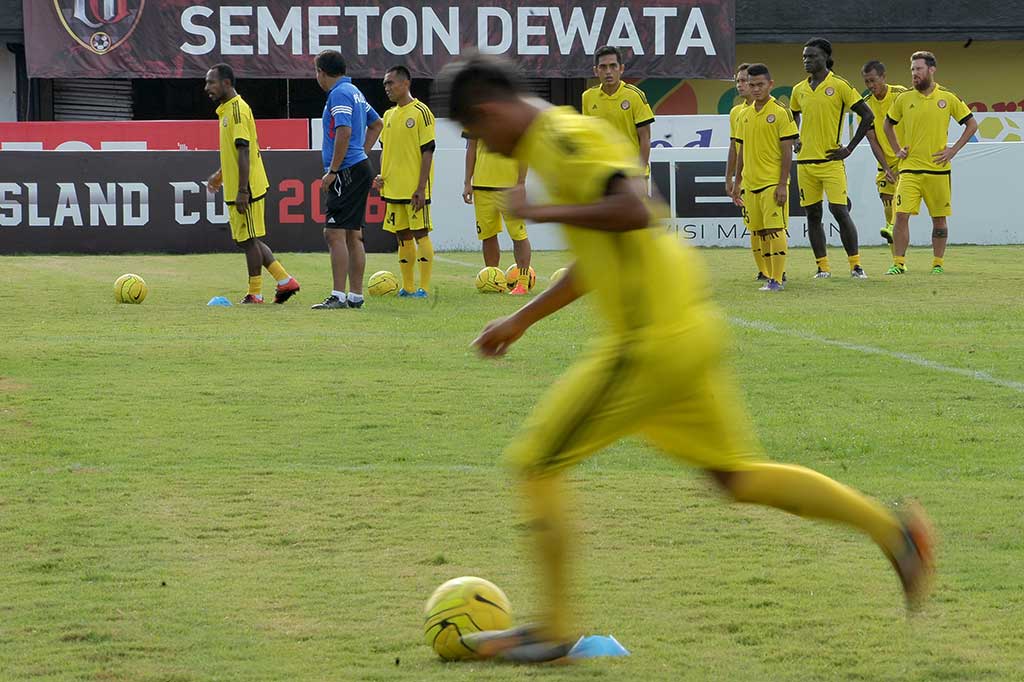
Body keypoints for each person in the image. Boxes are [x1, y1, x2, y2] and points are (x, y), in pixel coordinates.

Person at [438, 52, 934, 664]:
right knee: (737, 477)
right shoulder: (561, 136)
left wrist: (542, 211)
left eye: (476, 133)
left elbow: (634, 209)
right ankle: (895, 534)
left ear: (487, 112)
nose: (484, 145)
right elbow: (600, 251)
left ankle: (553, 630)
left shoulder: (560, 139)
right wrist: (521, 317)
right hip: (685, 326)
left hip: (649, 341)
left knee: (536, 464)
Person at [203, 64, 299, 305]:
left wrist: (243, 190)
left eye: (211, 82)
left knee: (248, 240)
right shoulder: (226, 111)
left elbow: (244, 151)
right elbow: (235, 155)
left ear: (226, 83)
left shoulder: (237, 111)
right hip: (238, 186)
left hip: (247, 188)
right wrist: (220, 175)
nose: (207, 88)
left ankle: (255, 294)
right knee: (246, 239)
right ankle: (284, 280)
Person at [883, 51, 977, 275]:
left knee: (939, 219)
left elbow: (971, 124)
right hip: (910, 170)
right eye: (912, 69)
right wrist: (897, 150)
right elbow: (888, 124)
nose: (914, 74)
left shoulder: (948, 97)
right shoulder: (904, 98)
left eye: (919, 69)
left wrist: (952, 150)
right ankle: (898, 263)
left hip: (938, 171)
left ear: (931, 70)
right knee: (901, 216)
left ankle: (937, 264)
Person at [790, 38, 876, 279]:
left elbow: (868, 116)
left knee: (839, 211)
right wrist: (795, 138)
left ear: (826, 58)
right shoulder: (799, 90)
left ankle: (856, 265)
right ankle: (823, 267)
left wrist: (848, 148)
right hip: (805, 163)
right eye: (805, 57)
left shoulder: (839, 85)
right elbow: (793, 115)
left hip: (831, 161)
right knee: (813, 215)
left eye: (812, 56)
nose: (807, 60)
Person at [311, 51, 382, 310]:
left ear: (321, 72)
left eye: (316, 71)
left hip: (347, 170)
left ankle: (338, 295)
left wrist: (333, 170)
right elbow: (377, 124)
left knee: (334, 232)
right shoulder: (355, 92)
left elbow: (344, 131)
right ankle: (355, 295)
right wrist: (361, 152)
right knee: (353, 234)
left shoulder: (338, 94)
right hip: (358, 165)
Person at [735, 64, 799, 292]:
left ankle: (777, 279)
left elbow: (787, 150)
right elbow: (741, 150)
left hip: (772, 183)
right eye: (751, 85)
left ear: (770, 84)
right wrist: (736, 182)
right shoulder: (744, 115)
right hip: (750, 184)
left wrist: (783, 183)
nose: (755, 89)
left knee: (774, 230)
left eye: (760, 84)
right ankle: (769, 276)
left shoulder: (781, 112)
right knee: (760, 232)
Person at [373, 65, 436, 298]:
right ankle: (407, 287)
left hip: (414, 189)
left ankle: (425, 288)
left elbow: (428, 151)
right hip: (393, 188)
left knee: (421, 232)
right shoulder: (388, 115)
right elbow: (385, 150)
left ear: (406, 83)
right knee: (402, 236)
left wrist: (421, 187)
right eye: (385, 84)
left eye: (391, 83)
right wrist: (382, 175)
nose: (387, 88)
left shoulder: (421, 112)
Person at [462, 133, 533, 294]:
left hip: (509, 187)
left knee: (518, 234)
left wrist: (521, 183)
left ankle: (522, 283)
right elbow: (471, 148)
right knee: (488, 235)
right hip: (481, 187)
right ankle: (493, 279)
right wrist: (467, 182)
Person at [582, 45, 655, 177]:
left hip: (631, 172)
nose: (608, 71)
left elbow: (645, 138)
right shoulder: (587, 97)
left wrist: (639, 173)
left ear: (621, 69)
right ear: (596, 71)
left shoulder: (634, 95)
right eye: (603, 67)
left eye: (613, 66)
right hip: (603, 175)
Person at [725, 63, 768, 280]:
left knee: (772, 228)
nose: (741, 85)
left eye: (744, 81)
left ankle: (776, 269)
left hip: (768, 177)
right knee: (753, 226)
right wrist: (730, 178)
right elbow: (734, 147)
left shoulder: (774, 109)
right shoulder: (736, 113)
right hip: (747, 178)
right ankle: (762, 270)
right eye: (738, 81)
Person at [861, 61, 907, 253]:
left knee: (901, 209)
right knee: (888, 207)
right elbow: (872, 140)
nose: (871, 85)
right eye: (866, 82)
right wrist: (886, 167)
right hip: (885, 163)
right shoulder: (865, 105)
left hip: (906, 159)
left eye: (873, 80)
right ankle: (897, 261)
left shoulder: (901, 94)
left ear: (883, 77)